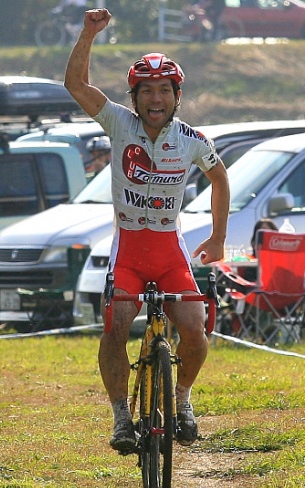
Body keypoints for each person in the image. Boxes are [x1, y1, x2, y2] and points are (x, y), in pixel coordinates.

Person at [64, 8, 230, 453]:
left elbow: (220, 178)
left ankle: (183, 399)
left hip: (168, 249)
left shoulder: (193, 140)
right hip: (130, 250)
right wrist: (88, 34)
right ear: (134, 98)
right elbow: (76, 86)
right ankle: (121, 416)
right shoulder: (120, 123)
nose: (156, 99)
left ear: (178, 96)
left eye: (164, 91)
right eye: (147, 91)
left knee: (195, 327)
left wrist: (217, 237)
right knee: (115, 325)